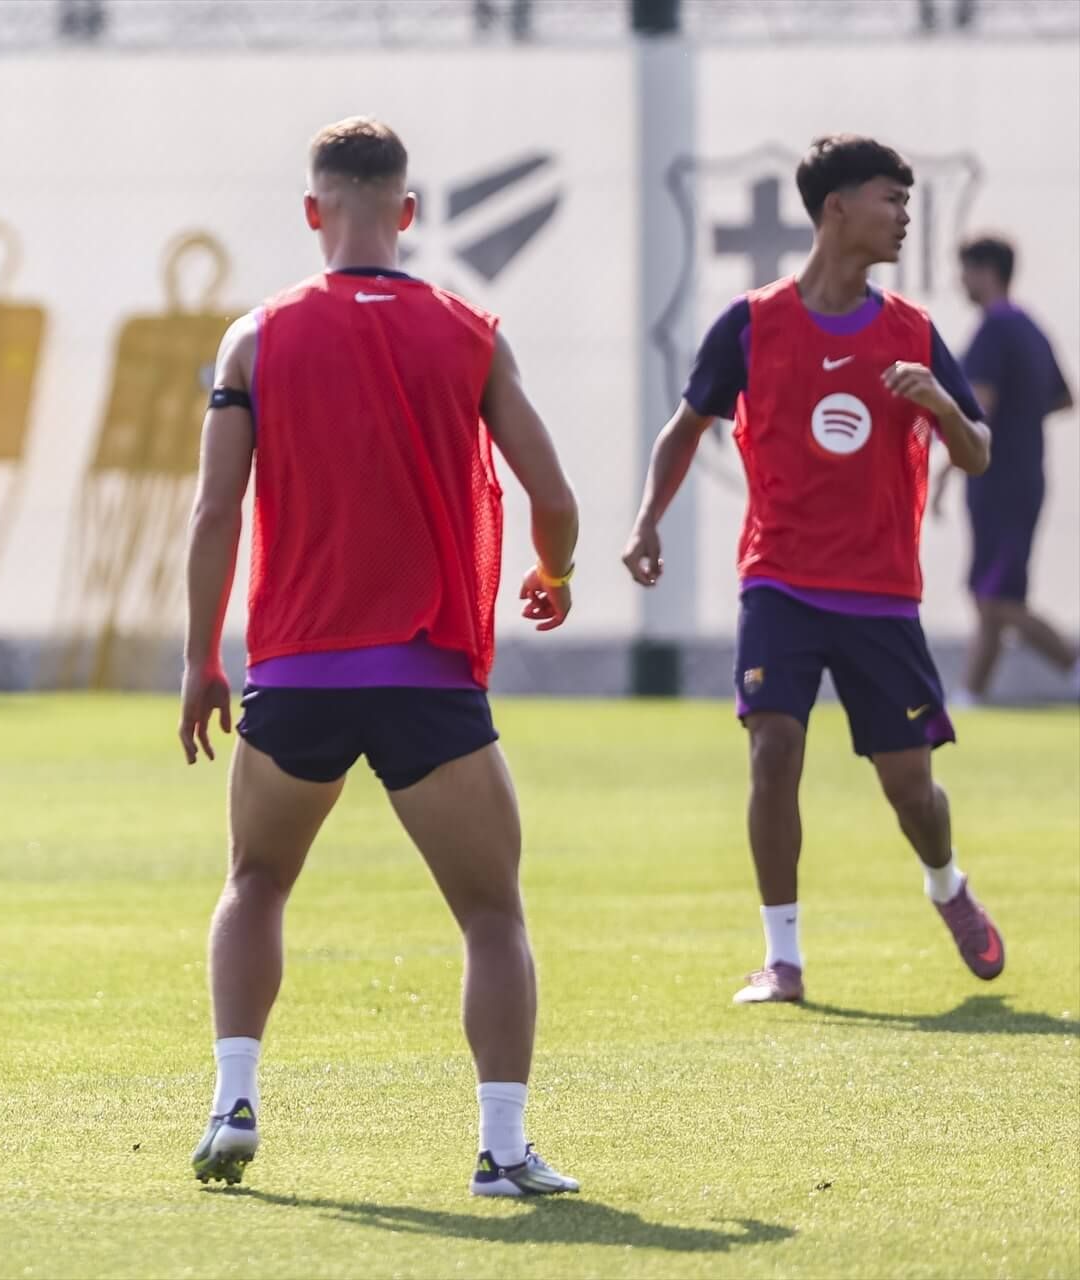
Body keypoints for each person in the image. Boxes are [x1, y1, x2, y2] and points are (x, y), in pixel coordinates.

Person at [180, 117, 582, 1198]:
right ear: (407, 213)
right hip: (426, 676)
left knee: (256, 880)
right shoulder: (469, 331)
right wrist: (556, 571)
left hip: (297, 675)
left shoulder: (254, 338)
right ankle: (501, 1149)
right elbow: (553, 498)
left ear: (316, 211)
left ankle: (232, 1100)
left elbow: (217, 510)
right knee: (491, 913)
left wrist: (199, 659)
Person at [621, 135, 1003, 1007]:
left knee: (911, 789)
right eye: (889, 200)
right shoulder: (753, 324)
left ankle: (945, 883)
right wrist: (646, 522)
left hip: (879, 595)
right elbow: (685, 431)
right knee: (774, 749)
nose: (904, 216)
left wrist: (939, 402)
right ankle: (782, 958)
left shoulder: (912, 332)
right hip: (780, 581)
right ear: (836, 209)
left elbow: (977, 453)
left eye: (907, 202)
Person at [931, 234, 1077, 702]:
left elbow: (980, 409)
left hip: (997, 479)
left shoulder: (995, 331)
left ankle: (1070, 663)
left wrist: (946, 470)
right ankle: (972, 694)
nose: (962, 282)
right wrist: (1022, 420)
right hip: (1025, 475)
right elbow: (1062, 397)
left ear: (986, 271)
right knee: (990, 593)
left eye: (967, 271)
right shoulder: (1031, 329)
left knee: (999, 598)